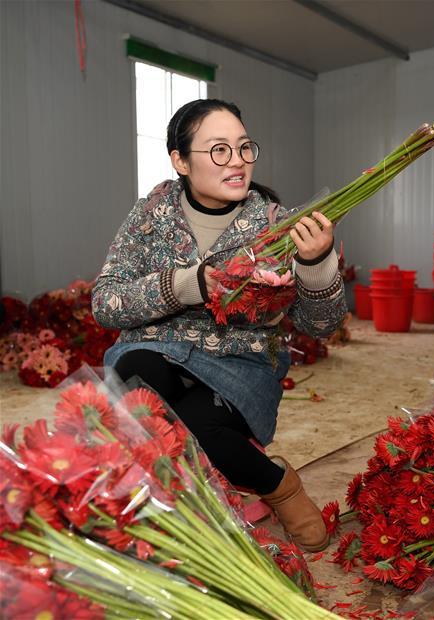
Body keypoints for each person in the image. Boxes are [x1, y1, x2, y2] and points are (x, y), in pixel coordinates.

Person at [92, 99, 347, 552]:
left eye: (244, 148)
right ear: (180, 160)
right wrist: (190, 285)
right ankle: (176, 503)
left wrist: (317, 263)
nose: (237, 163)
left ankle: (278, 485)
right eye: (219, 151)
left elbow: (322, 326)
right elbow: (106, 302)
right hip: (155, 349)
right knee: (138, 382)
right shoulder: (151, 214)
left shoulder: (276, 226)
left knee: (197, 431)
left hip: (238, 364)